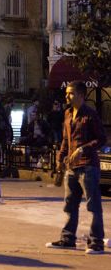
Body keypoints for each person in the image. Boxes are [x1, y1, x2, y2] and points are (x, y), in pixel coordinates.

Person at [47, 81, 106, 254]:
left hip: (88, 166)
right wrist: (59, 159)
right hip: (71, 167)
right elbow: (65, 140)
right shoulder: (67, 113)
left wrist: (83, 149)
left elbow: (101, 139)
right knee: (70, 204)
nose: (67, 96)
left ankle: (96, 243)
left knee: (93, 206)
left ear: (81, 95)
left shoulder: (90, 114)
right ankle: (67, 239)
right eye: (66, 93)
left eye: (70, 93)